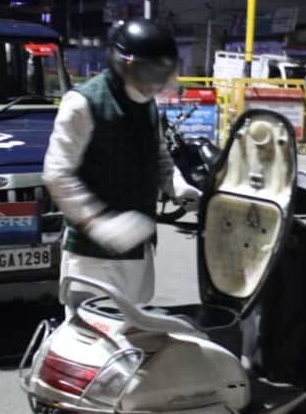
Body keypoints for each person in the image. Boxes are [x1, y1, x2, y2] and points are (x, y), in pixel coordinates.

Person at [43, 19, 200, 311]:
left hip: (138, 248)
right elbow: (57, 174)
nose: (156, 82)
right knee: (91, 337)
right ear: (124, 64)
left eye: (162, 73)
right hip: (91, 254)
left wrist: (176, 185)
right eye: (149, 72)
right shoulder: (83, 103)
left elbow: (159, 154)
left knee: (133, 331)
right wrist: (98, 223)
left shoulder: (147, 102)